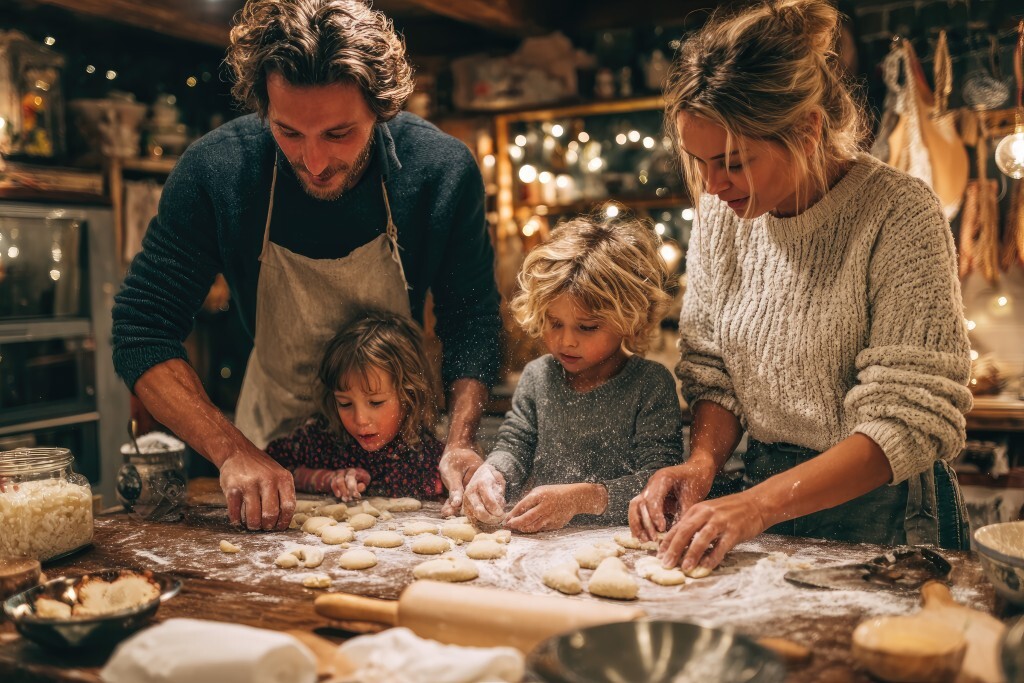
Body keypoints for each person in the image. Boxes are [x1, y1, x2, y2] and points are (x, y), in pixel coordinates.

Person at [111, 0, 499, 531]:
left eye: (339, 134)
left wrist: (459, 443)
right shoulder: (217, 173)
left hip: (395, 446)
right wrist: (231, 451)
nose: (313, 163)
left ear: (382, 108)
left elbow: (471, 320)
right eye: (289, 132)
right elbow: (141, 330)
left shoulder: (439, 172)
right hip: (268, 451)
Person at [629, 0, 973, 575]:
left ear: (808, 129)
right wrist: (703, 463)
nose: (714, 186)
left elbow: (909, 417)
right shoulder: (725, 215)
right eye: (701, 162)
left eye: (734, 161)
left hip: (884, 512)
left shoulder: (898, 213)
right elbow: (712, 364)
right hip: (762, 495)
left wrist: (757, 506)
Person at [463, 215, 684, 532]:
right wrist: (493, 472)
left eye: (587, 327)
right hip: (546, 543)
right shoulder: (538, 377)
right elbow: (514, 447)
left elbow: (662, 483)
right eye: (555, 323)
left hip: (625, 543)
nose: (566, 340)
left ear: (631, 318)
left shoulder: (649, 384)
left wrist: (584, 499)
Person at [265, 311, 444, 500]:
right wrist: (327, 479)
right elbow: (271, 467)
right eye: (345, 403)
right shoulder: (322, 441)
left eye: (376, 402)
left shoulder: (426, 455)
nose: (360, 419)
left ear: (408, 396)